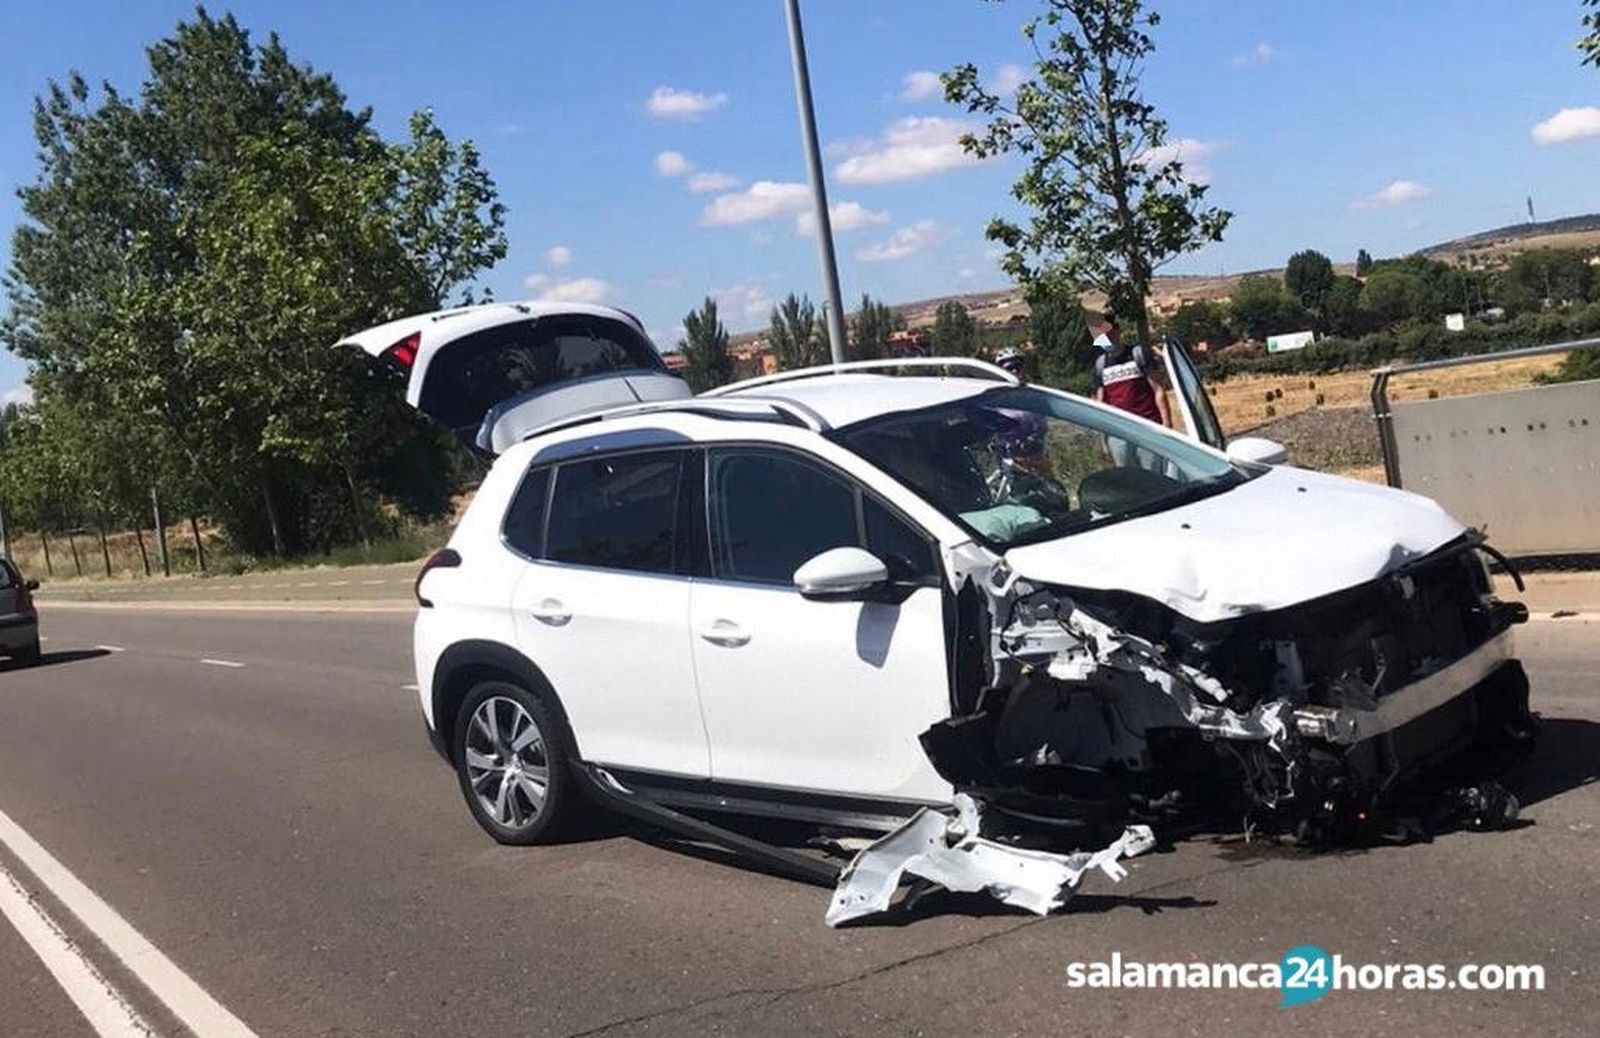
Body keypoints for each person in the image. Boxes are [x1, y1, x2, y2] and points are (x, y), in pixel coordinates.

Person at [1087, 313, 1170, 470]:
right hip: (1119, 434)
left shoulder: (1138, 355)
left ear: (1117, 331)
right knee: (1129, 478)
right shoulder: (1100, 365)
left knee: (1154, 475)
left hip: (1148, 428)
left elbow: (1158, 390)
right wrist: (1103, 440)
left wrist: (1166, 425)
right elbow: (1101, 404)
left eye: (1108, 333)